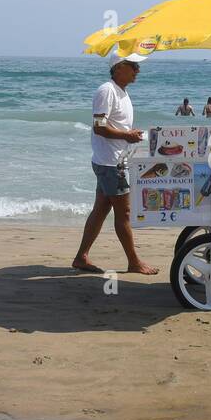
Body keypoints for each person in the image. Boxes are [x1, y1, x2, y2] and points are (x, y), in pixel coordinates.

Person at [73, 52, 158, 275]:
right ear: (119, 67)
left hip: (113, 161)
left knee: (101, 209)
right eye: (133, 65)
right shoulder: (107, 91)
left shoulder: (122, 93)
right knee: (125, 213)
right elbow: (99, 126)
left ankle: (81, 257)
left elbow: (114, 125)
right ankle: (134, 262)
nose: (137, 70)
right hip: (111, 164)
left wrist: (130, 136)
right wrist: (126, 136)